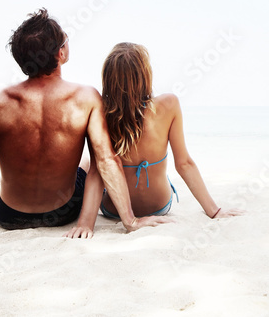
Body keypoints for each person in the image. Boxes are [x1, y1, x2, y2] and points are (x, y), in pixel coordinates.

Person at [0, 10, 165, 243]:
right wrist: (130, 221)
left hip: (9, 215)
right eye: (65, 39)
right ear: (61, 53)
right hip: (63, 212)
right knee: (88, 161)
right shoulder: (85, 99)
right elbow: (106, 161)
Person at [75, 42, 244, 224]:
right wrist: (214, 210)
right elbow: (184, 164)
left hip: (114, 210)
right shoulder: (169, 104)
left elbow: (97, 173)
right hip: (160, 207)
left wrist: (86, 225)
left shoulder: (100, 112)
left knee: (89, 163)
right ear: (145, 76)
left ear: (108, 79)